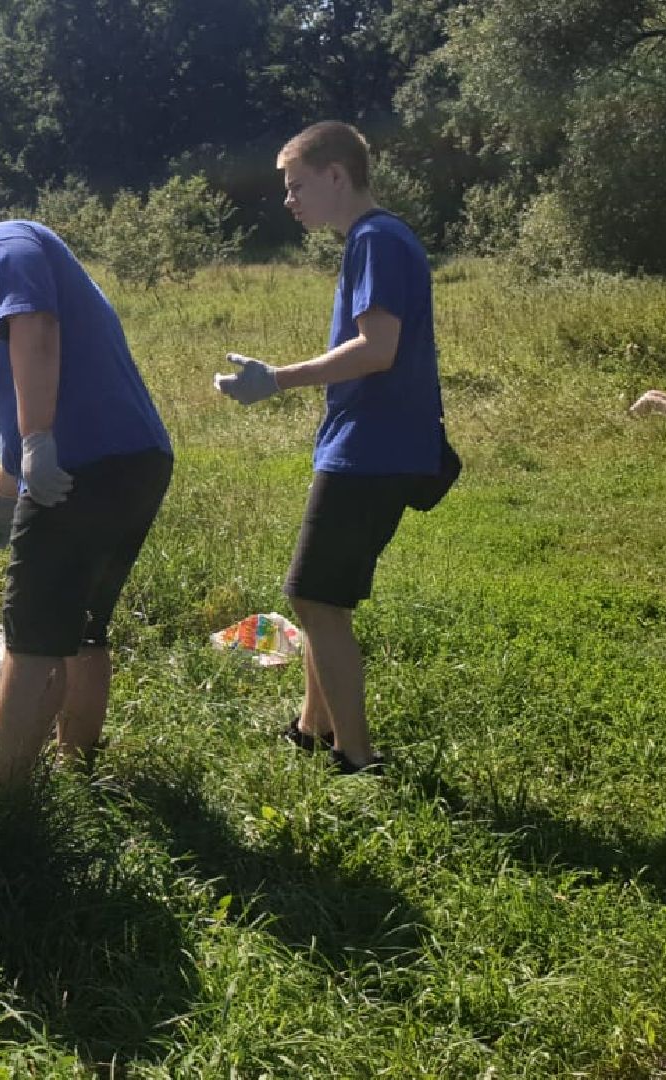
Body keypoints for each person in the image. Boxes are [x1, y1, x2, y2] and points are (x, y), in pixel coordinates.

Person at [213, 121, 447, 776]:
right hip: (371, 446)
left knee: (315, 598)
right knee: (320, 598)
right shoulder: (376, 240)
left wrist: (276, 380)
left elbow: (378, 350)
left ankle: (358, 757)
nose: (288, 200)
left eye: (297, 186)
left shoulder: (375, 239)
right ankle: (314, 729)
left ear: (337, 176)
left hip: (371, 450)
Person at [0, 198, 174, 785]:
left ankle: (3, 799)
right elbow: (21, 394)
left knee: (30, 640)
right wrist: (5, 491)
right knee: (84, 628)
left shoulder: (1, 246)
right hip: (135, 462)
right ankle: (79, 772)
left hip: (78, 470)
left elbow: (36, 330)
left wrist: (37, 444)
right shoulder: (24, 250)